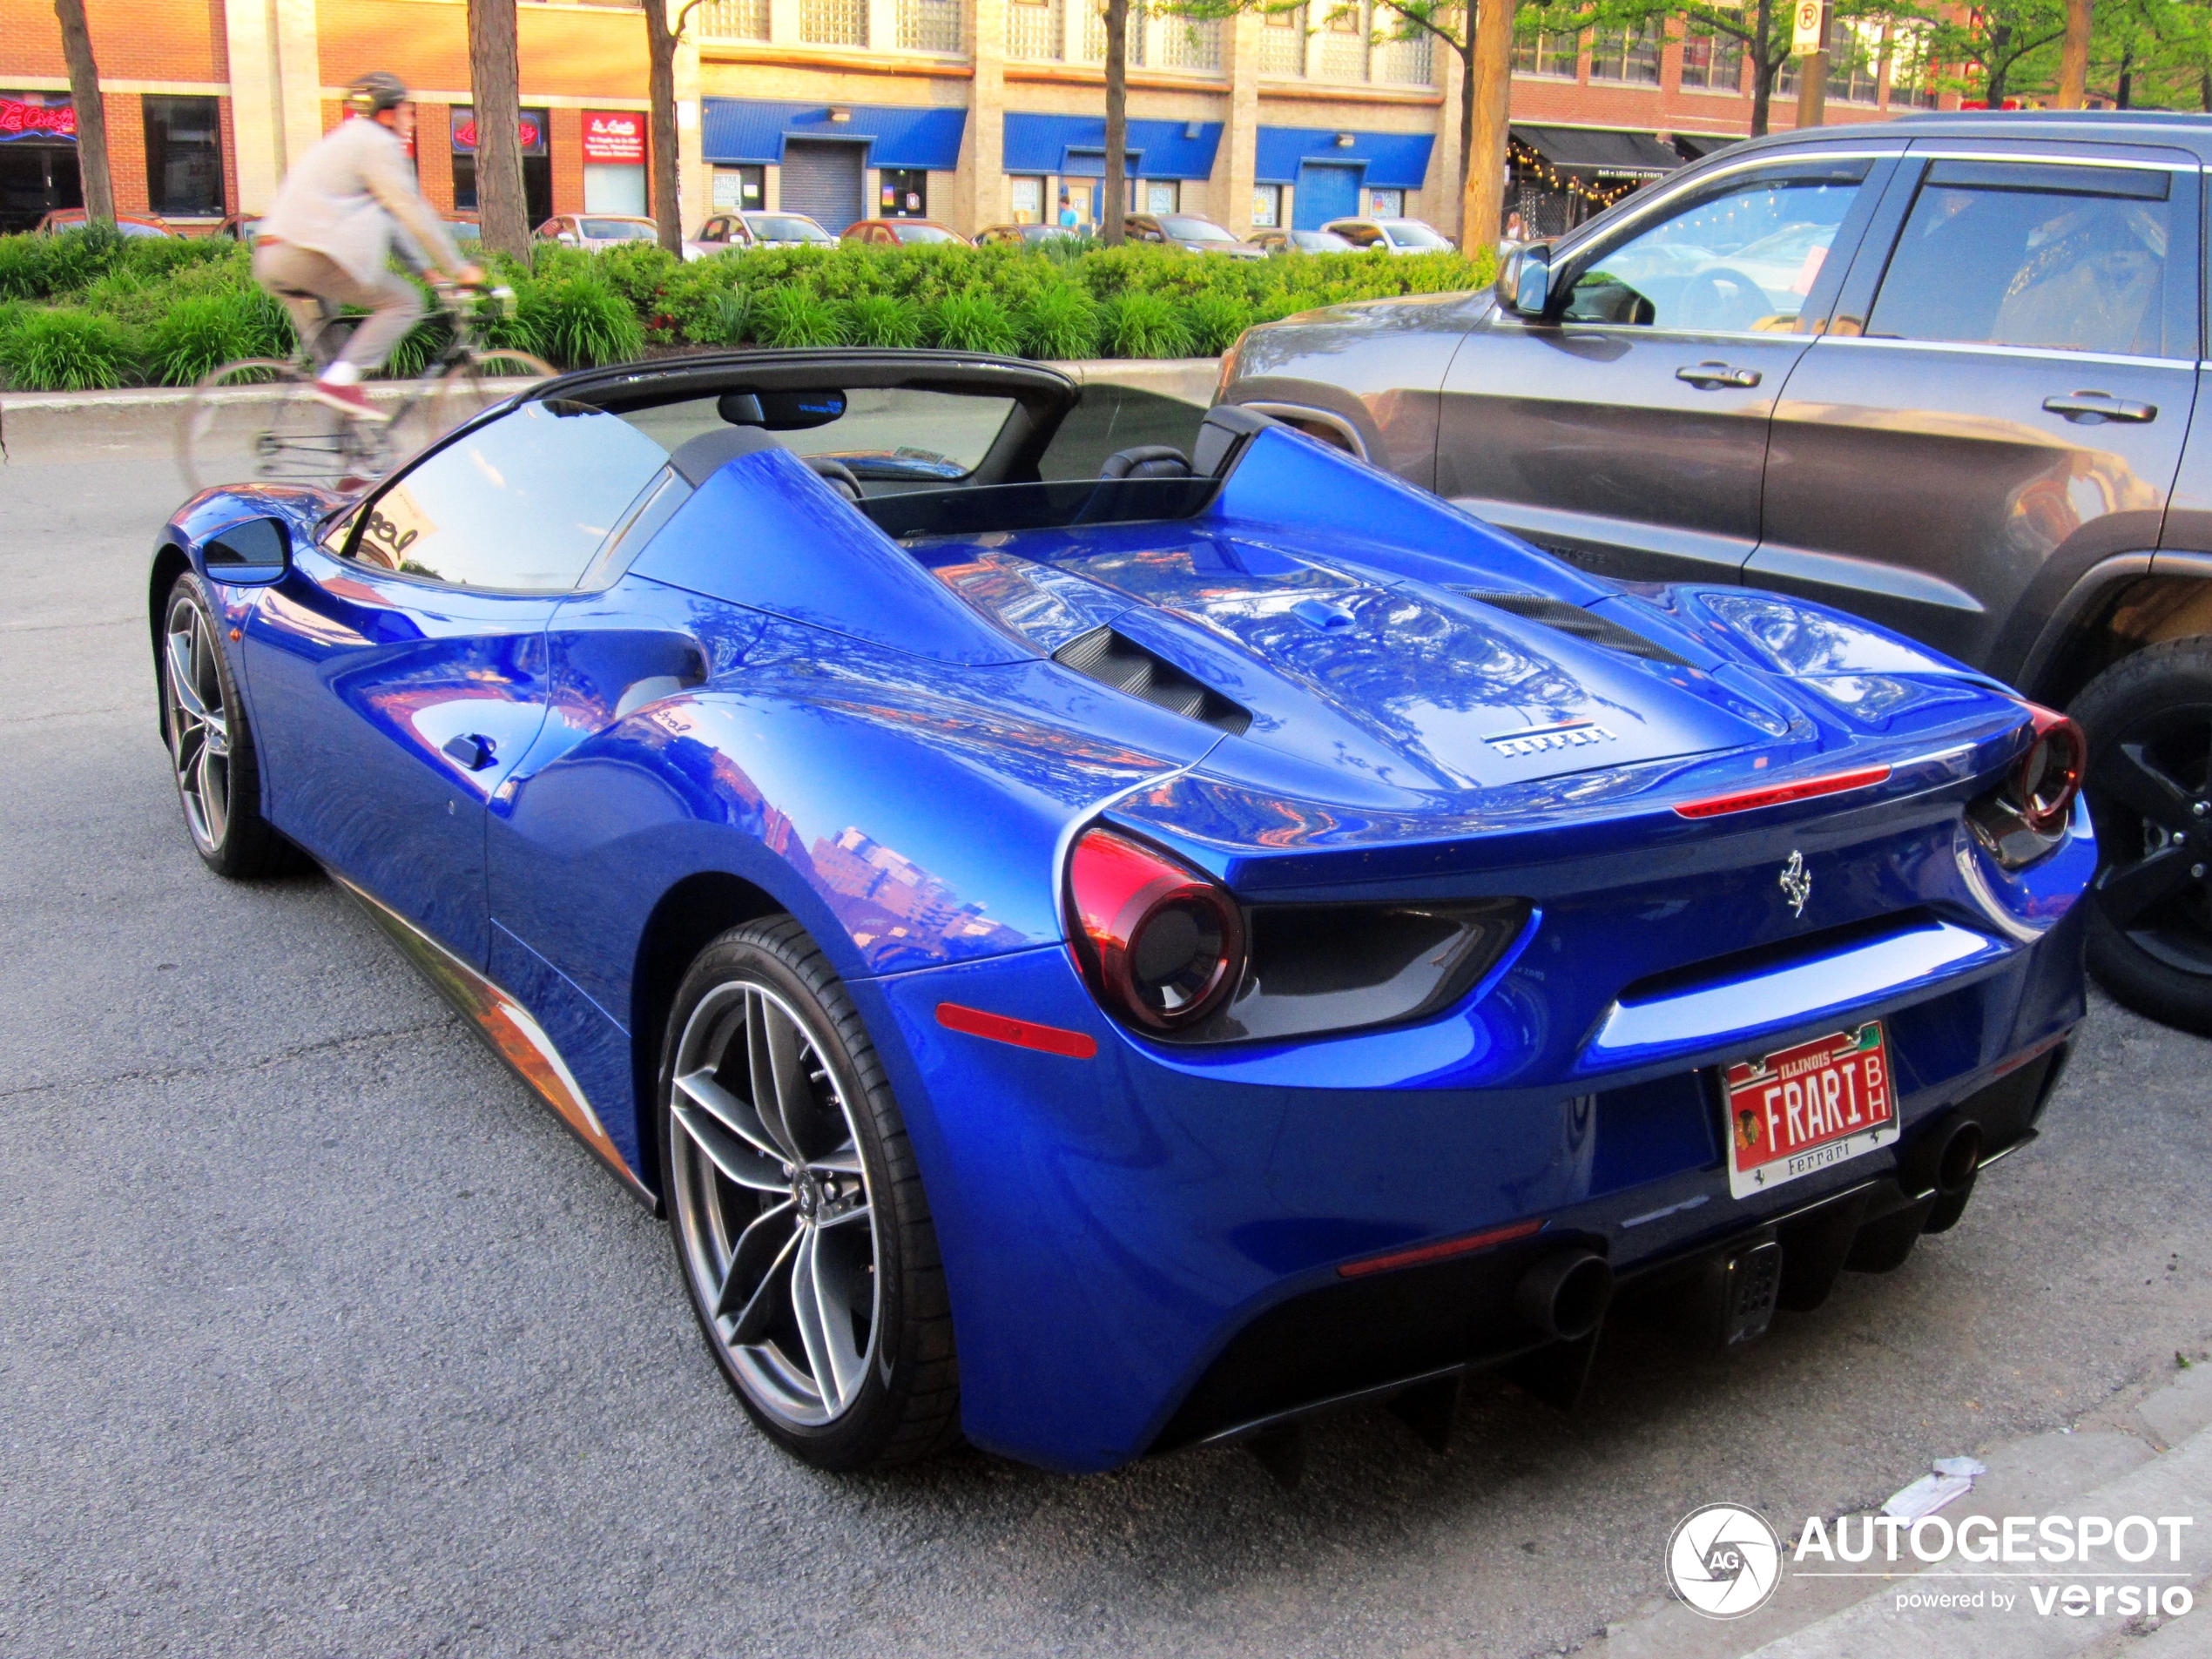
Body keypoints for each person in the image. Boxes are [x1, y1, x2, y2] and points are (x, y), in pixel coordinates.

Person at [253, 71, 485, 421]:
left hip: (277, 258)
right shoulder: (378, 144)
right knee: (406, 301)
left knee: (338, 369)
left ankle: (357, 464)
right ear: (387, 113)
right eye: (408, 111)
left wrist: (427, 271)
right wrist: (459, 268)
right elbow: (411, 210)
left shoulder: (346, 139)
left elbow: (389, 220)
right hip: (306, 257)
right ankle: (340, 390)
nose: (413, 119)